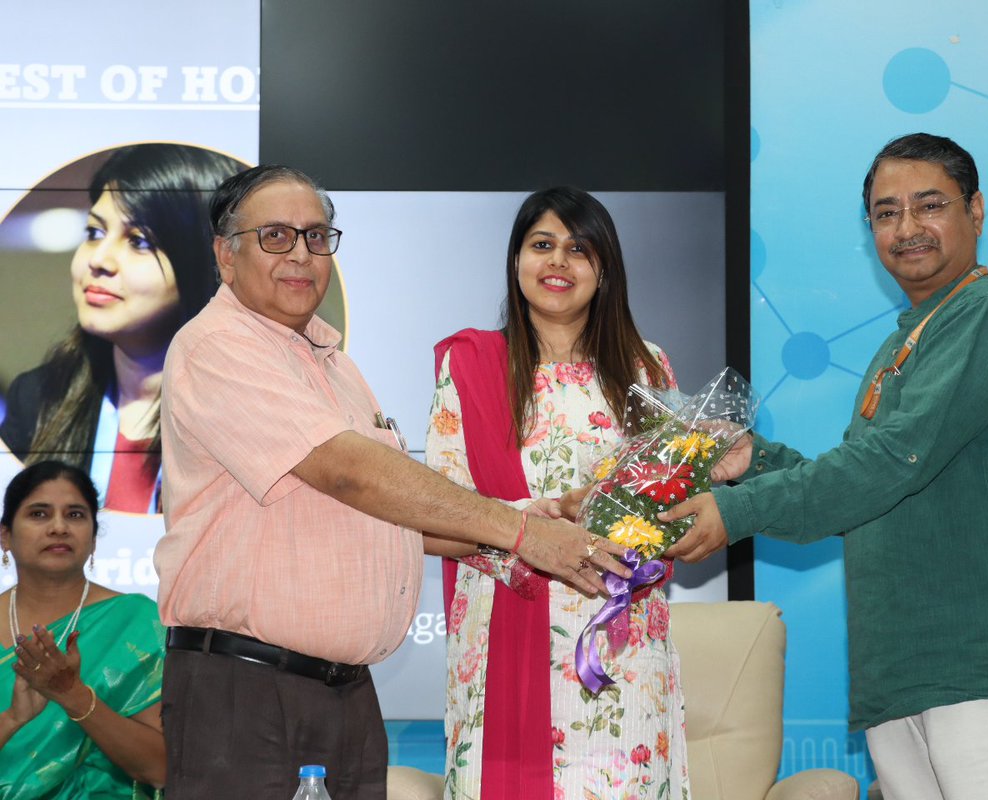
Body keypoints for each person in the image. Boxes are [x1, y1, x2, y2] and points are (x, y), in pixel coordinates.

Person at [155, 166, 630, 799]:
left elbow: (385, 512)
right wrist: (519, 533)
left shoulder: (335, 365)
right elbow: (351, 473)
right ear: (225, 254)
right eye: (275, 236)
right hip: (250, 692)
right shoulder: (217, 346)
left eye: (317, 236)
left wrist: (528, 517)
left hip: (344, 695)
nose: (300, 254)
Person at [662, 133, 988, 800]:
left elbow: (893, 459)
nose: (907, 228)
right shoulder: (909, 336)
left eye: (929, 205)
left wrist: (737, 512)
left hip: (986, 668)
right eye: (886, 213)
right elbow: (871, 484)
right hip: (904, 672)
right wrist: (756, 463)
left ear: (976, 211)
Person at [425, 187, 690, 799]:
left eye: (579, 248)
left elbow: (671, 504)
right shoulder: (470, 366)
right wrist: (534, 521)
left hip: (619, 646)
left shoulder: (648, 370)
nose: (558, 262)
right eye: (541, 245)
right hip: (503, 640)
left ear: (605, 268)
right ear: (516, 260)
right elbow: (432, 511)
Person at [0, 144, 244, 514]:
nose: (98, 260)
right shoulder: (37, 400)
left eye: (138, 242)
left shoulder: (249, 420)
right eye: (95, 233)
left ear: (205, 264)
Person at [0, 460, 166, 798]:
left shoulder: (136, 622)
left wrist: (73, 696)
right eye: (39, 514)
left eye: (75, 515)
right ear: (5, 537)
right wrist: (13, 719)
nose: (59, 527)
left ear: (93, 540)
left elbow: (159, 769)